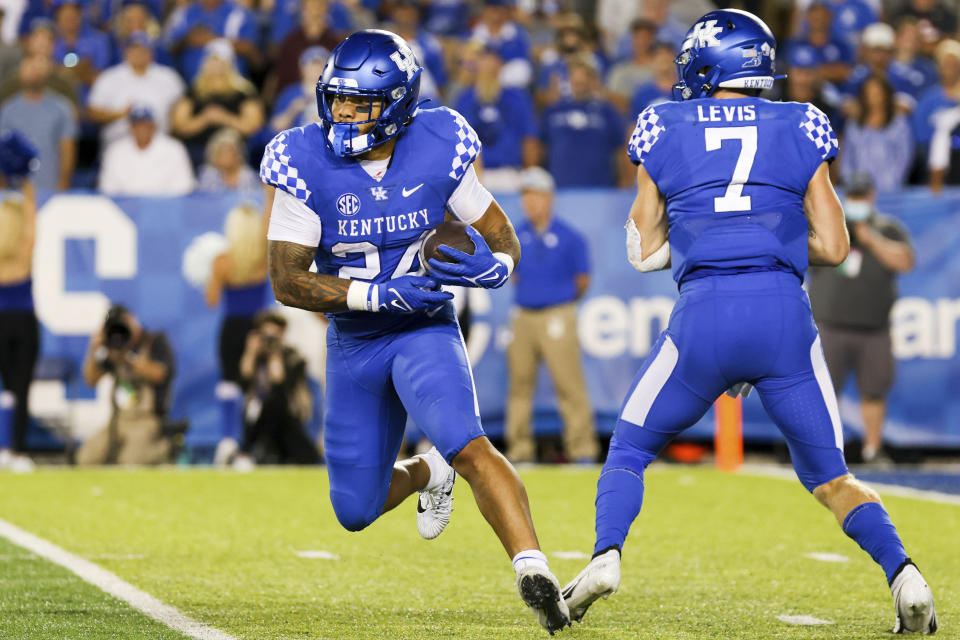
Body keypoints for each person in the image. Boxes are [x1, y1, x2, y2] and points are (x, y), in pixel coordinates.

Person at [561, 10, 937, 635]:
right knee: (831, 477)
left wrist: (704, 238)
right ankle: (905, 574)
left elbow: (641, 242)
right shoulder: (801, 121)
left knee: (628, 449)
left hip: (704, 310)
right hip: (782, 312)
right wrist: (771, 239)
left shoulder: (663, 122)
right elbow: (837, 245)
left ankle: (605, 556)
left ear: (707, 65)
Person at [261, 30, 570, 634]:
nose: (343, 113)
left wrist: (498, 267)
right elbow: (286, 280)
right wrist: (372, 294)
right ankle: (429, 472)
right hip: (355, 341)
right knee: (355, 510)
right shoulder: (303, 157)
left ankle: (534, 568)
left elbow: (501, 235)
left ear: (399, 104)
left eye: (359, 103)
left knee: (468, 440)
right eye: (337, 99)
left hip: (423, 328)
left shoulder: (438, 141)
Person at [808, 173, 914, 463]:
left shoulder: (888, 228)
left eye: (861, 196)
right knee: (824, 392)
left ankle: (872, 449)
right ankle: (823, 454)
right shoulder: (831, 224)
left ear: (871, 197)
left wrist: (871, 239)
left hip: (874, 328)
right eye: (852, 196)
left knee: (874, 392)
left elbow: (906, 261)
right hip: (830, 325)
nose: (857, 201)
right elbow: (805, 255)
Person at [505, 167, 597, 464]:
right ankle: (520, 450)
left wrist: (562, 303)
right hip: (523, 315)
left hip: (557, 314)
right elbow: (512, 274)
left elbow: (582, 280)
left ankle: (581, 449)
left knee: (569, 385)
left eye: (536, 196)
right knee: (519, 386)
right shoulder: (514, 236)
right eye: (526, 197)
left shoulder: (570, 237)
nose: (530, 203)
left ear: (549, 199)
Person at [205, 203, 270, 467]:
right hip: (256, 330)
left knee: (229, 385)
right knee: (255, 388)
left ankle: (227, 441)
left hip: (231, 330)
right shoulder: (263, 258)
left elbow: (211, 299)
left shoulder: (222, 262)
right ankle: (250, 447)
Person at [76, 304, 176, 465]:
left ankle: (161, 451)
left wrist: (128, 356)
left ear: (132, 321)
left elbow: (160, 374)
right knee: (86, 458)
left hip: (147, 421)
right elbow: (90, 380)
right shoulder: (113, 349)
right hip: (117, 422)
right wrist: (93, 348)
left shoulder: (153, 341)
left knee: (130, 462)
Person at [0, 131, 39, 473]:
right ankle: (15, 450)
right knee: (19, 385)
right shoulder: (22, 252)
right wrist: (26, 185)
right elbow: (30, 231)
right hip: (22, 321)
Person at [452, 45, 538, 193]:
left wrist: (529, 175)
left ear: (501, 64)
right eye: (484, 59)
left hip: (509, 174)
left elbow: (529, 139)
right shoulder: (465, 99)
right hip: (476, 175)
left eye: (493, 59)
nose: (488, 64)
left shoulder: (516, 96)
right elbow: (458, 141)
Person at [237, 311, 318, 465]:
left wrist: (275, 354)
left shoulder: (294, 358)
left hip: (288, 418)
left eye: (273, 336)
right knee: (260, 408)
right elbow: (243, 382)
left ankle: (248, 454)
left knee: (274, 404)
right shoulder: (256, 358)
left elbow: (280, 385)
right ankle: (249, 454)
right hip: (257, 421)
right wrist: (250, 352)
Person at [169, 39, 264, 167]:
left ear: (230, 63)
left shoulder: (245, 93)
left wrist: (224, 118)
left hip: (236, 153)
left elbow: (254, 127)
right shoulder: (193, 92)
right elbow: (179, 126)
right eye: (213, 61)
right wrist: (204, 119)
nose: (217, 66)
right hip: (198, 151)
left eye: (221, 61)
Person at [87, 31, 185, 147]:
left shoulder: (169, 77)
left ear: (152, 53)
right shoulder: (109, 78)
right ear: (124, 52)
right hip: (118, 143)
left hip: (160, 144)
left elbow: (182, 107)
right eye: (133, 49)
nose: (138, 53)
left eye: (143, 50)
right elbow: (92, 113)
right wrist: (120, 114)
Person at [540, 54, 623, 188]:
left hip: (600, 190)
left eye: (584, 77)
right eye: (575, 78)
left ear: (592, 80)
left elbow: (620, 151)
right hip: (559, 189)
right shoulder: (553, 111)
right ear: (569, 79)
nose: (579, 82)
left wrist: (623, 183)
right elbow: (541, 148)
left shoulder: (607, 112)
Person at [0, 54, 76, 191]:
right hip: (16, 190)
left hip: (51, 187)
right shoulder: (8, 110)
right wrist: (4, 190)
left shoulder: (62, 107)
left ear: (45, 73)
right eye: (29, 68)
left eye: (37, 68)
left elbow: (67, 149)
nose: (33, 73)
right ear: (20, 73)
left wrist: (63, 186)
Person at [97, 105, 196, 195]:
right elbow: (108, 188)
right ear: (130, 127)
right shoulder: (116, 150)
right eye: (137, 125)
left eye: (146, 125)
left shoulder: (174, 149)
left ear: (154, 126)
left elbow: (184, 186)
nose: (141, 129)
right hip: (125, 208)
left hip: (165, 207)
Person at [840, 75, 913, 191]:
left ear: (886, 95)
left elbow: (904, 156)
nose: (874, 97)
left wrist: (893, 181)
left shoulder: (899, 123)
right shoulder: (854, 124)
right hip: (859, 188)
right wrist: (850, 183)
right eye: (869, 92)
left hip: (890, 188)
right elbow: (847, 157)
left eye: (877, 92)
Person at [196, 127, 259, 192]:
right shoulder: (208, 176)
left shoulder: (249, 176)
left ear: (238, 154)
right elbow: (203, 199)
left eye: (229, 152)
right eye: (221, 153)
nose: (225, 157)